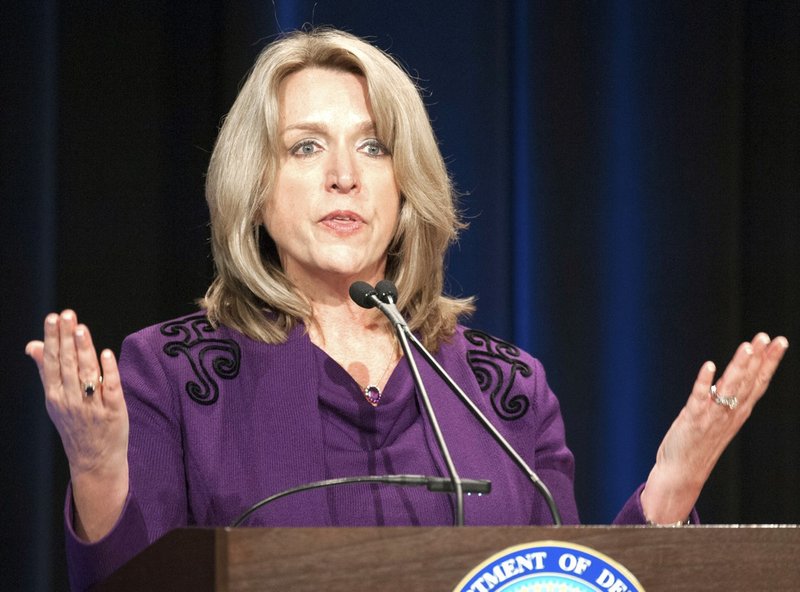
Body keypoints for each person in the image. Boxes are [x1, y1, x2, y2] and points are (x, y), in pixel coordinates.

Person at [26, 28, 788, 592]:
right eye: (303, 148)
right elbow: (128, 583)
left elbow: (561, 581)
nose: (342, 178)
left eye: (373, 147)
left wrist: (670, 489)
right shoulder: (173, 372)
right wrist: (96, 471)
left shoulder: (502, 390)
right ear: (254, 189)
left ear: (405, 188)